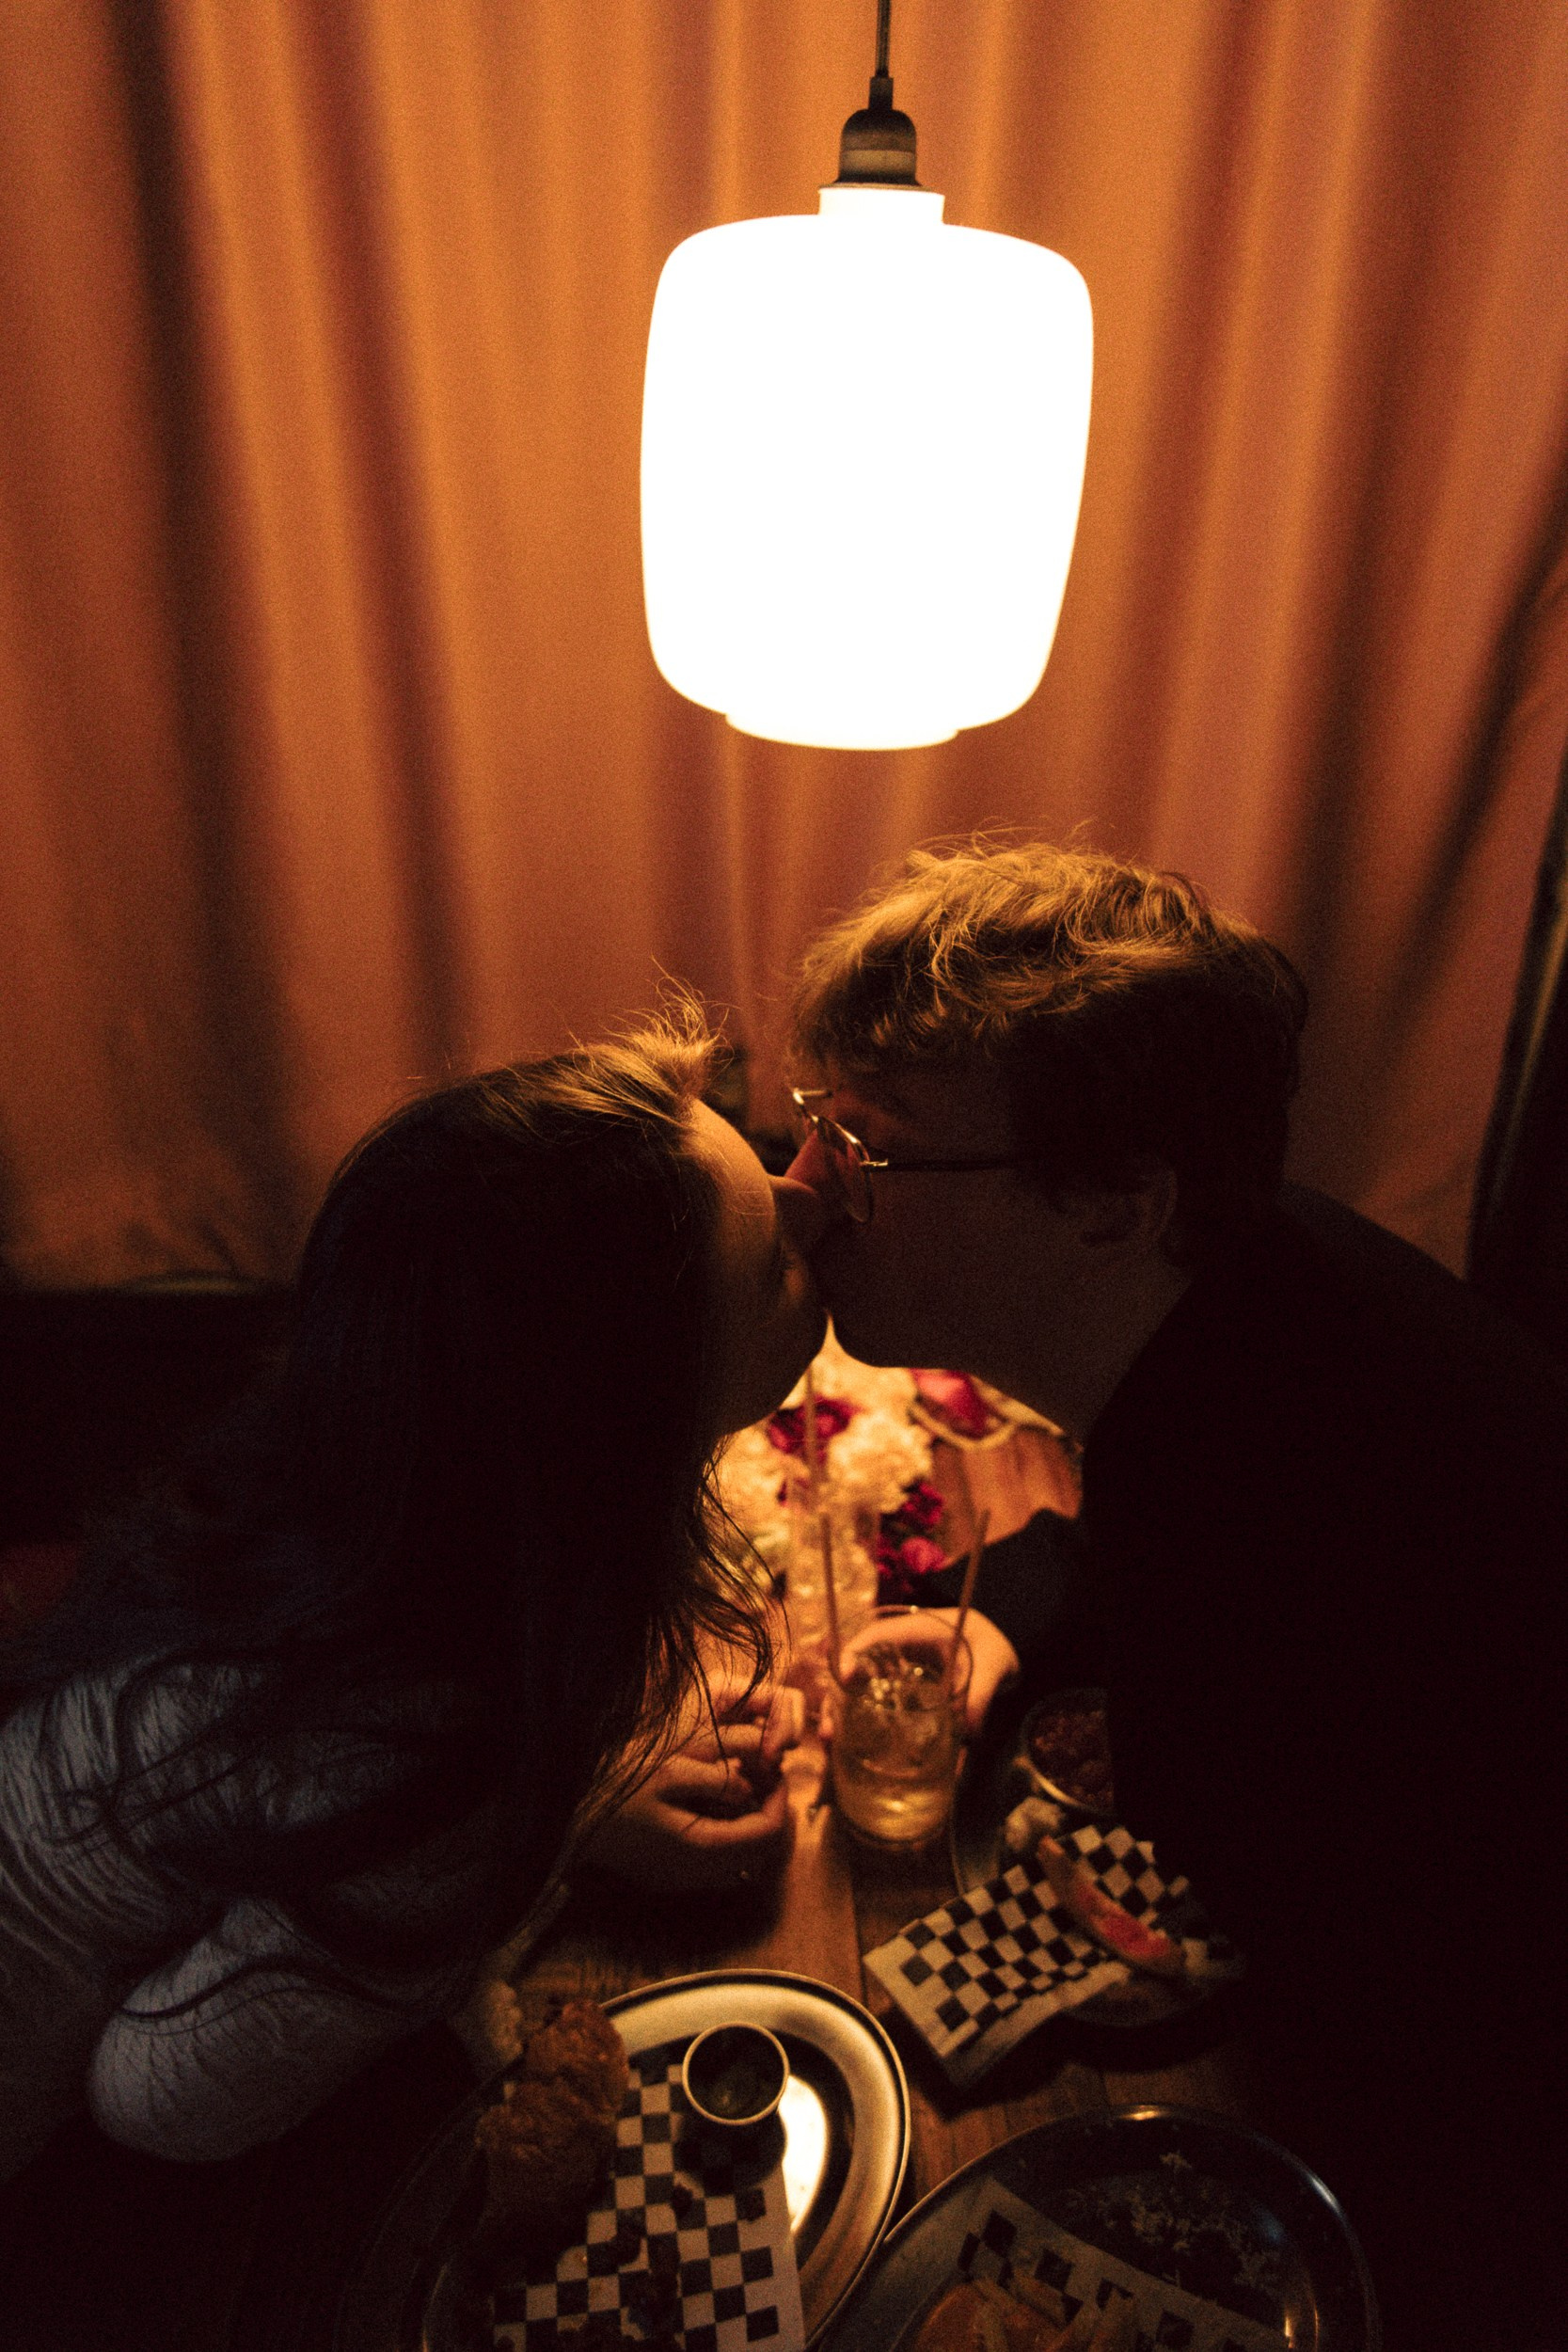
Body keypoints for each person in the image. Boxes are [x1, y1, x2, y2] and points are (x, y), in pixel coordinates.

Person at [784, 841, 1566, 2346]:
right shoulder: (1251, 1296)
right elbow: (1130, 1516)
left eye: (863, 1152)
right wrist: (997, 1614)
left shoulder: (1295, 1543)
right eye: (814, 1121)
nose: (801, 1188)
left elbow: (1388, 1983)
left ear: (1107, 1207)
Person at [0, 1012, 827, 2182]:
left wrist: (572, 1794)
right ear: (620, 1437)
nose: (811, 1202)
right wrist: (516, 1852)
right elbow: (157, 2099)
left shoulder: (369, 1491)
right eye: (771, 1261)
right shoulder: (435, 1745)